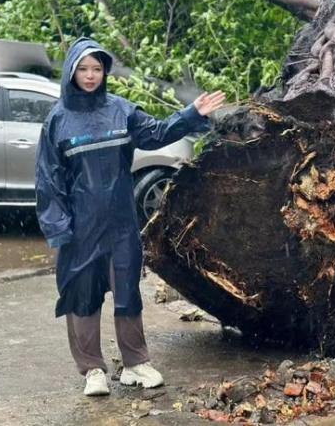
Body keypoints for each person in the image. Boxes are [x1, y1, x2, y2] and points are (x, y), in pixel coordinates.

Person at [35, 37, 226, 396]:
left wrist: (191, 114)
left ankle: (135, 364)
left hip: (122, 223)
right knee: (82, 295)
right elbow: (48, 180)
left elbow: (155, 134)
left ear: (105, 71)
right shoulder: (58, 120)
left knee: (127, 292)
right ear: (71, 71)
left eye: (97, 68)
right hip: (81, 227)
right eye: (83, 68)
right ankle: (92, 369)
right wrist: (59, 228)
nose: (90, 76)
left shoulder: (121, 110)